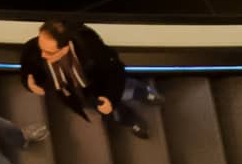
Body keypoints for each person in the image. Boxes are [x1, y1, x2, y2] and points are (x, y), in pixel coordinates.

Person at [16, 17, 151, 141]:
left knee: (127, 89)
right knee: (111, 110)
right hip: (81, 95)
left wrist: (111, 97)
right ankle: (128, 118)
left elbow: (115, 70)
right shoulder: (34, 49)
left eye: (49, 52)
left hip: (102, 86)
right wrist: (29, 83)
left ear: (65, 48)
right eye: (41, 47)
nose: (42, 55)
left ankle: (144, 92)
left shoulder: (90, 47)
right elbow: (28, 68)